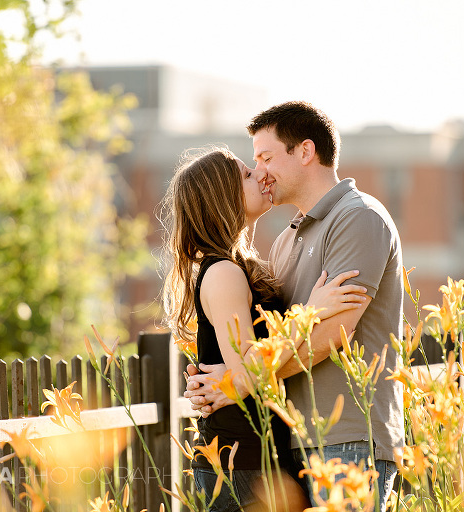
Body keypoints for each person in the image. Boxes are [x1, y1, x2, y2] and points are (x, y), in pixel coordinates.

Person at [184, 102, 404, 512]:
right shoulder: (286, 240)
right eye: (254, 164)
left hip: (348, 437)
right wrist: (239, 376)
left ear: (305, 152)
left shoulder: (358, 218)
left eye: (266, 158)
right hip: (294, 442)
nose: (261, 171)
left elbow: (332, 333)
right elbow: (271, 336)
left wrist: (237, 381)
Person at [160, 146, 368, 512]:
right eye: (245, 174)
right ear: (222, 198)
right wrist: (311, 312)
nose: (260, 174)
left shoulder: (239, 265)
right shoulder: (222, 272)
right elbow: (248, 367)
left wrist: (228, 378)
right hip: (242, 464)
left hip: (258, 459)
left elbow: (241, 369)